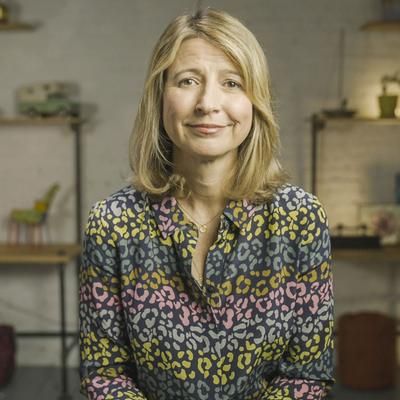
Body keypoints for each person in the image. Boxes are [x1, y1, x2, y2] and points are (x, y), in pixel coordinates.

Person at [79, 8, 334, 400]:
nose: (207, 103)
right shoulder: (112, 224)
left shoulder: (299, 218)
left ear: (255, 102)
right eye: (187, 81)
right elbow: (105, 375)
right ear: (160, 96)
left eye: (231, 83)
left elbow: (307, 375)